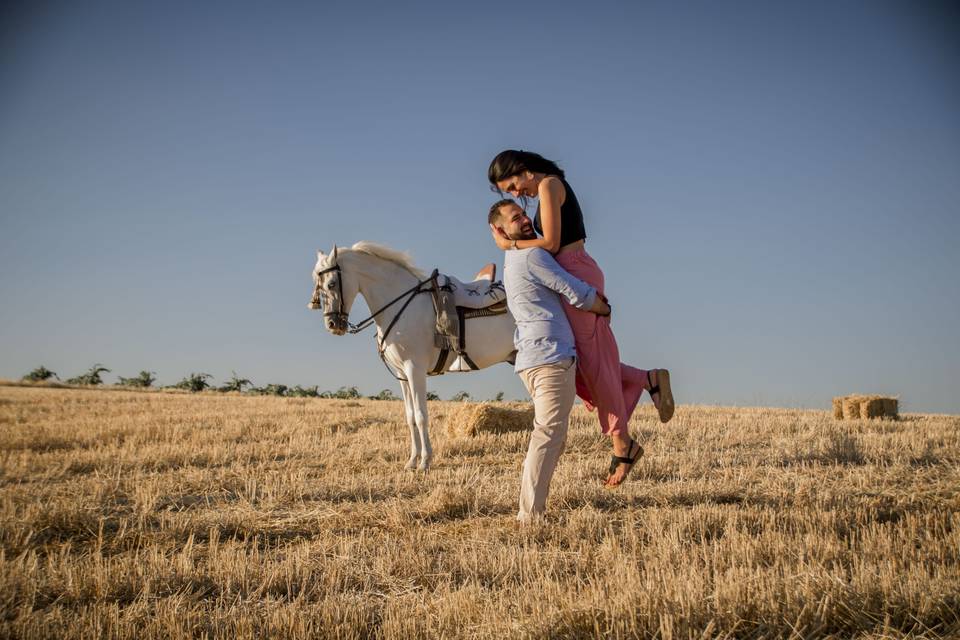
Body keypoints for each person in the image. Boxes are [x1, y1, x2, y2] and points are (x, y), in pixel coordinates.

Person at [488, 150, 675, 487]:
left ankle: (623, 445)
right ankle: (647, 381)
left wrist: (509, 245)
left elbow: (550, 242)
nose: (517, 194)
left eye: (514, 186)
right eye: (510, 193)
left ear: (523, 170)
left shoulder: (547, 185)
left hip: (575, 271)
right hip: (572, 272)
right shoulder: (545, 187)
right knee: (582, 366)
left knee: (593, 366)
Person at [490, 201, 611, 522]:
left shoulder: (513, 257)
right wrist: (599, 304)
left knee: (553, 437)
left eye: (524, 214)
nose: (526, 220)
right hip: (550, 354)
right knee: (547, 434)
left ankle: (533, 507)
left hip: (535, 356)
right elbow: (568, 287)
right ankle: (530, 515)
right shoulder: (531, 255)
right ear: (500, 230)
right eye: (516, 219)